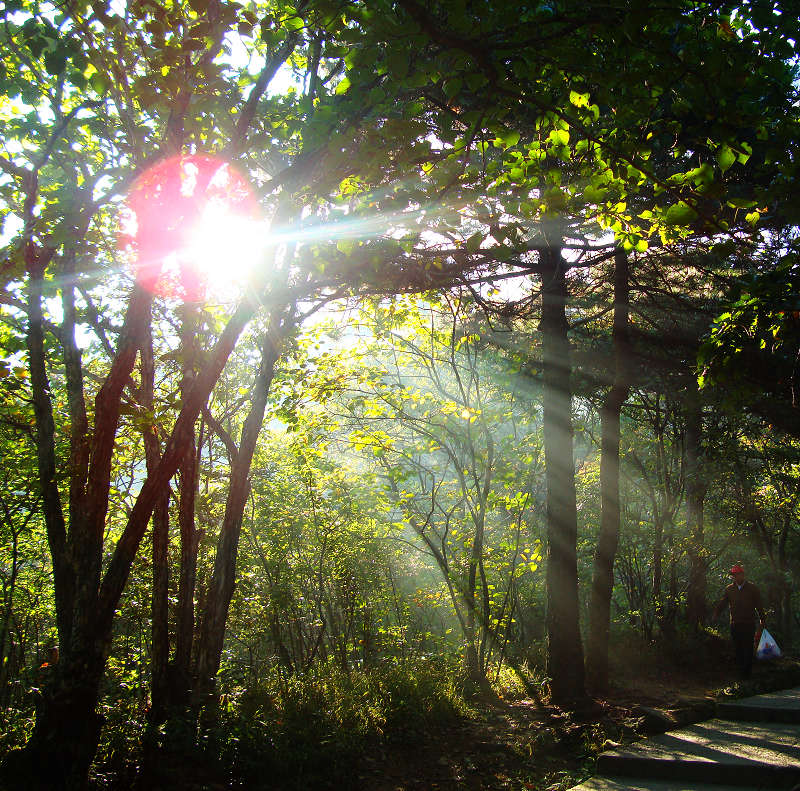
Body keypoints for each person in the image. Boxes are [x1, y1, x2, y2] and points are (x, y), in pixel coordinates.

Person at [712, 564, 765, 680]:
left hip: (749, 623)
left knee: (748, 648)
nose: (736, 577)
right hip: (735, 624)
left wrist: (762, 620)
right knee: (738, 648)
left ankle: (747, 674)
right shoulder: (729, 589)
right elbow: (723, 603)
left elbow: (759, 605)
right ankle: (741, 674)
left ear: (743, 575)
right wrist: (716, 613)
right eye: (734, 575)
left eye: (737, 575)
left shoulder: (752, 588)